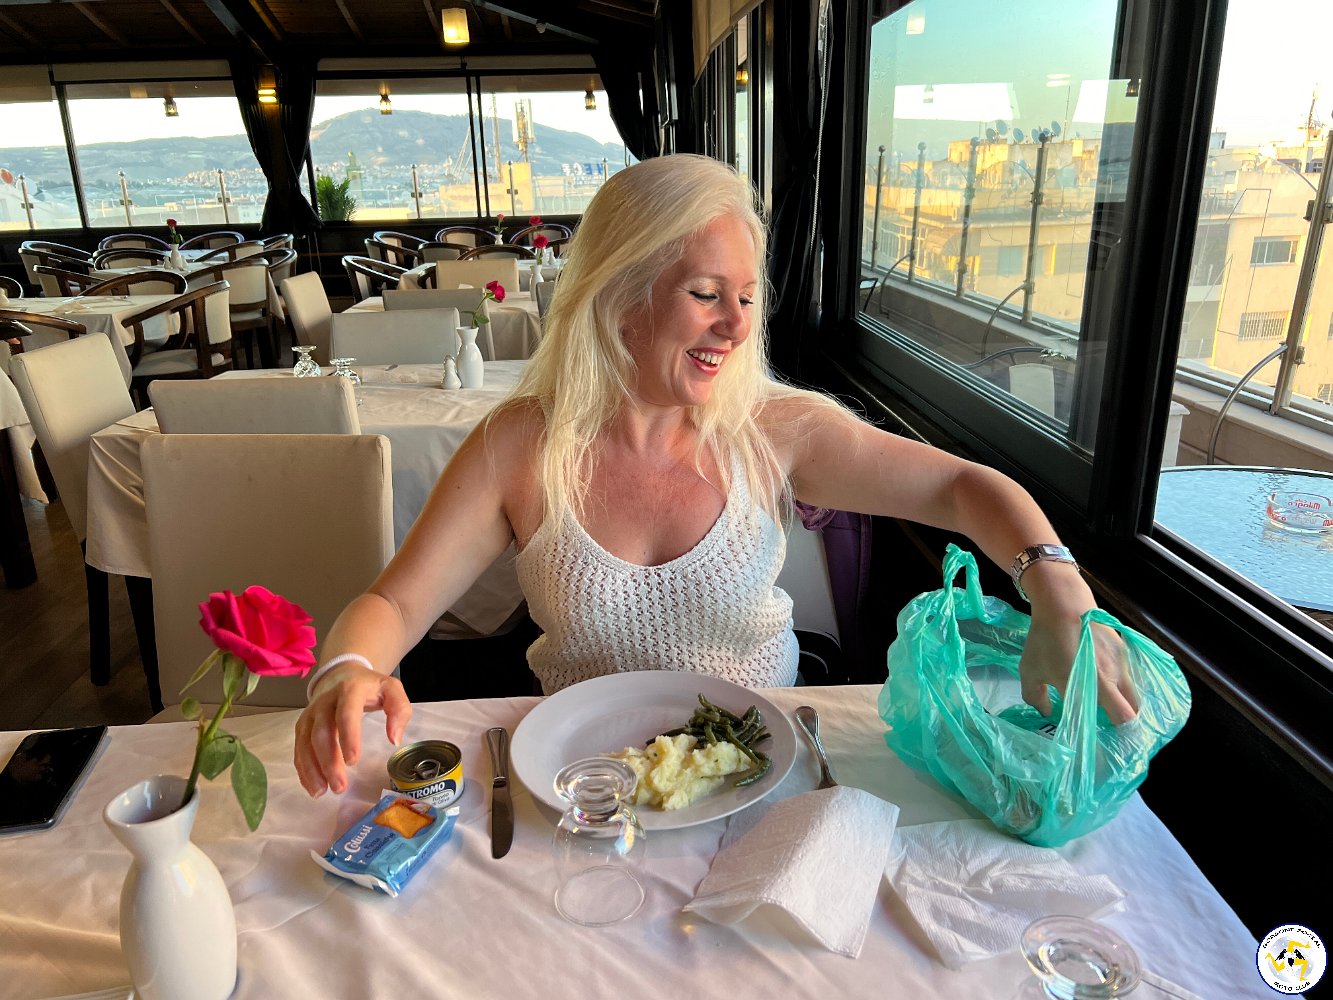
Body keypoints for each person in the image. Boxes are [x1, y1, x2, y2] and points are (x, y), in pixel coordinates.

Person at [294, 154, 1136, 798]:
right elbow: (395, 604)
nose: (735, 325)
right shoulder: (520, 445)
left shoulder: (774, 430)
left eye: (745, 296)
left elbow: (960, 488)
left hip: (759, 776)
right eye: (704, 293)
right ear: (619, 296)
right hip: (587, 784)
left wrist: (1060, 592)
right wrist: (348, 668)